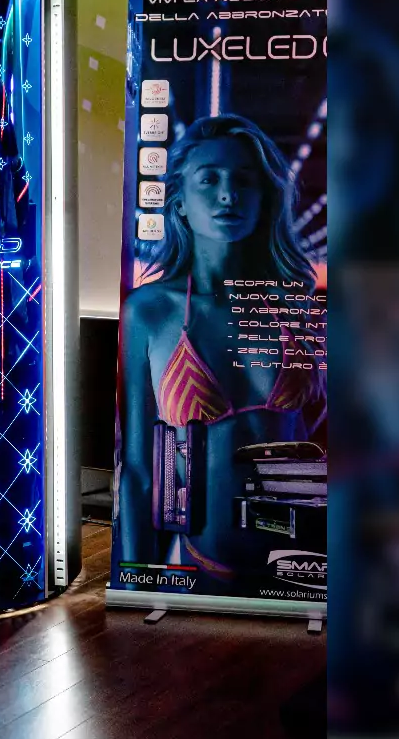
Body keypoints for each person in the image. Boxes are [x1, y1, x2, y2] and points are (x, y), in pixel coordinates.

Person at [116, 114, 325, 579]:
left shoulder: (296, 304)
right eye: (209, 179)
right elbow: (138, 469)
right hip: (209, 565)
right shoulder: (150, 312)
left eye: (244, 181)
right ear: (179, 202)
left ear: (264, 198)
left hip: (306, 566)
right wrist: (135, 579)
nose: (228, 195)